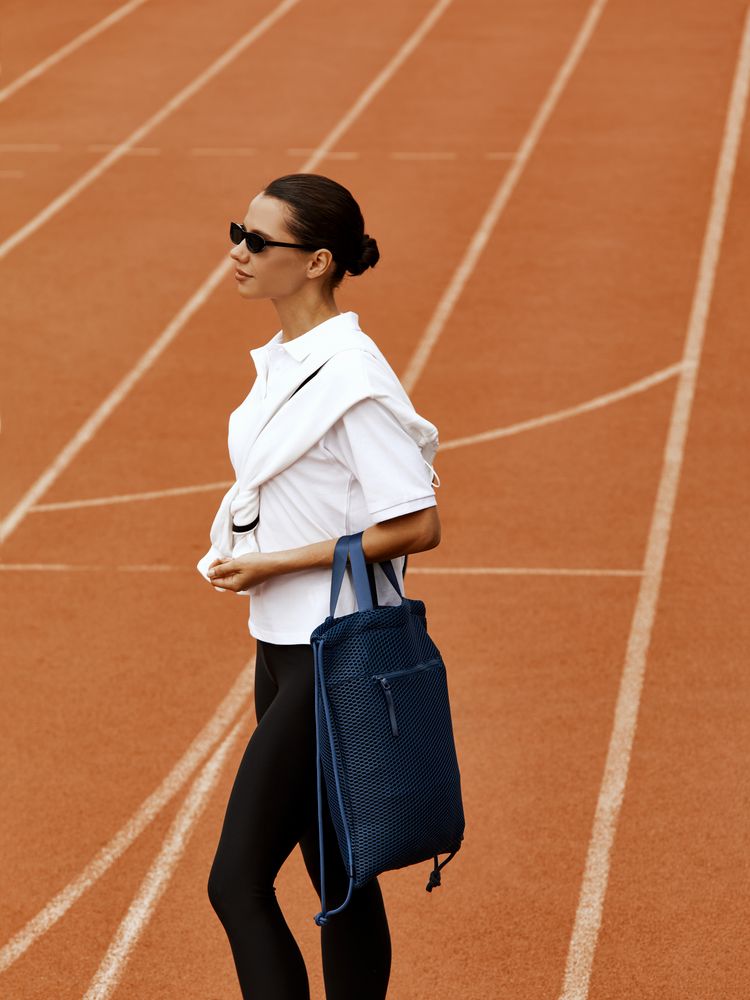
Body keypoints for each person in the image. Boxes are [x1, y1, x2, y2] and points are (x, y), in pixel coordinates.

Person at [203, 172, 442, 1000]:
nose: (239, 251)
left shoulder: (353, 381)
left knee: (236, 882)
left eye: (259, 241)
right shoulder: (286, 361)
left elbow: (417, 523)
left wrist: (274, 562)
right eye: (238, 232)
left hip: (329, 658)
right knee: (339, 871)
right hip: (280, 650)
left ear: (317, 262)